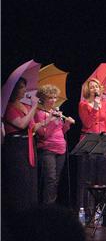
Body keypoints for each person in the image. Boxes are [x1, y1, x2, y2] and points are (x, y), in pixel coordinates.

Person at [1, 78, 39, 217]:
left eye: (24, 86)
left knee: (31, 180)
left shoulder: (25, 106)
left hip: (28, 144)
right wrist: (35, 106)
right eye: (22, 87)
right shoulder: (9, 107)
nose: (25, 90)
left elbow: (33, 127)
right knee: (20, 180)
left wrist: (49, 120)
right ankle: (19, 214)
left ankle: (30, 213)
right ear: (14, 90)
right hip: (15, 147)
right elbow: (22, 124)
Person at [34, 84, 75, 204]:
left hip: (61, 149)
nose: (53, 100)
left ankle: (52, 207)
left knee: (56, 180)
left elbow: (61, 132)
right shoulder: (39, 113)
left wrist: (67, 124)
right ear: (43, 99)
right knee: (50, 180)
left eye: (55, 97)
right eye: (50, 97)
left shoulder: (55, 112)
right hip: (48, 150)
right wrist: (51, 121)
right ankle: (48, 209)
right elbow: (43, 134)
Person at [77, 78, 106, 213]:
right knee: (88, 177)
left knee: (102, 177)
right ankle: (87, 210)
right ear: (87, 90)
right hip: (88, 141)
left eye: (96, 86)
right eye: (91, 87)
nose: (94, 89)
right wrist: (95, 107)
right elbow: (87, 123)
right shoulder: (83, 104)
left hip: (103, 142)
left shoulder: (105, 104)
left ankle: (102, 210)